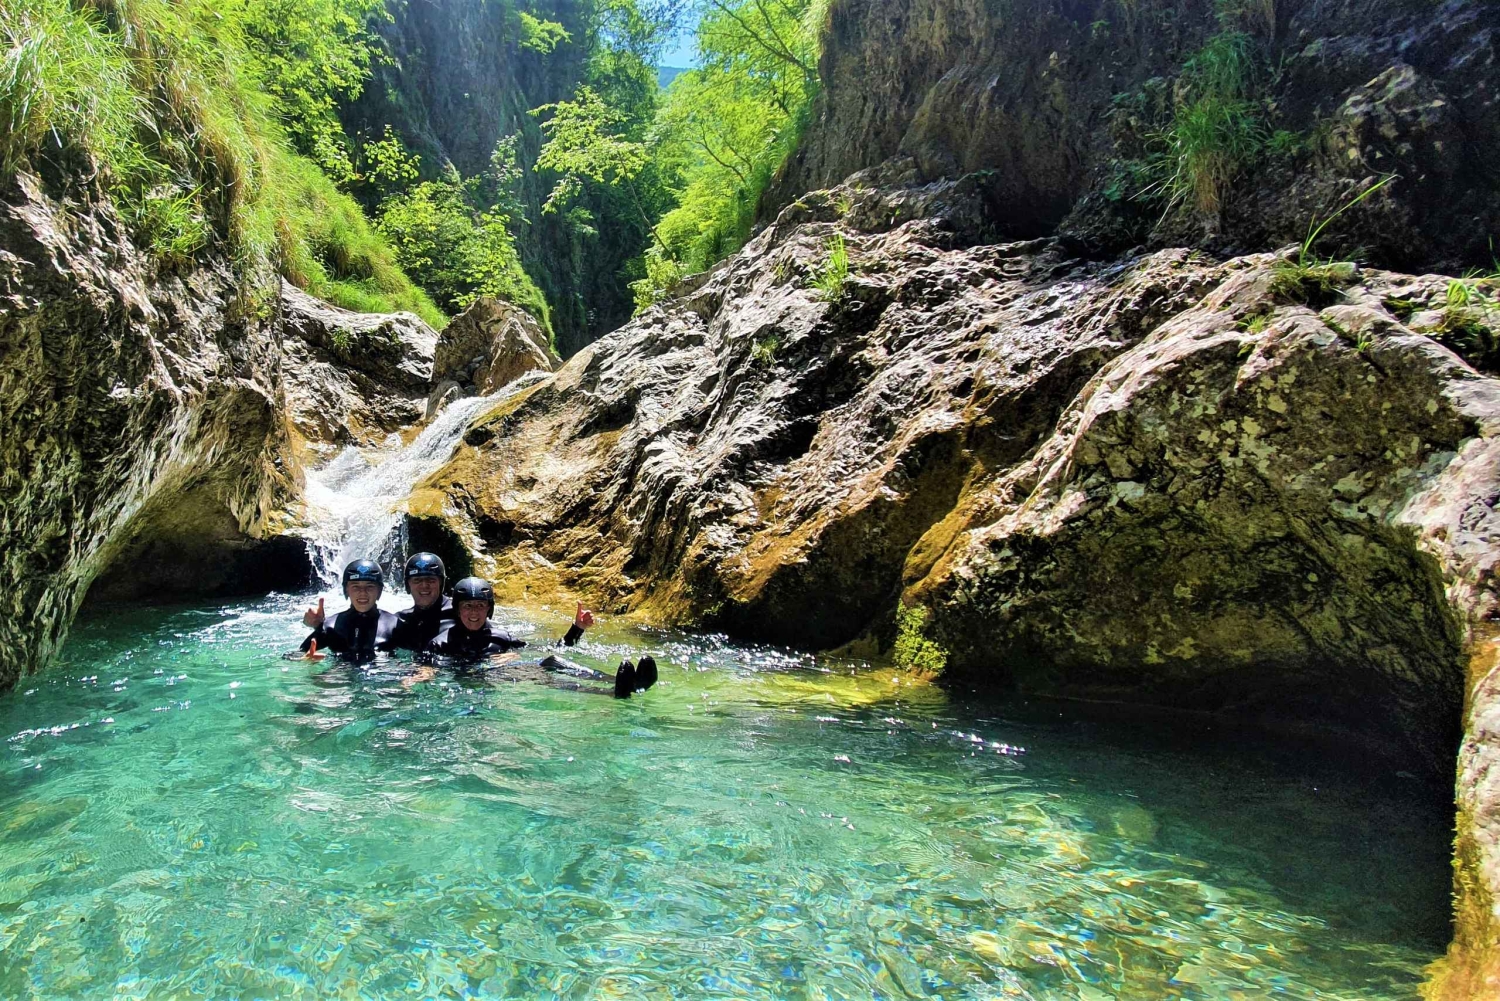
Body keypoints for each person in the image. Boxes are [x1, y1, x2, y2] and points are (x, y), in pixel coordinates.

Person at [423, 577, 657, 698]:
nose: (474, 612)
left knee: (551, 660)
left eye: (480, 605)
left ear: (489, 608)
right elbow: (435, 670)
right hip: (484, 680)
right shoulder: (440, 643)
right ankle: (611, 693)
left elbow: (551, 649)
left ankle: (627, 682)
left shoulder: (501, 636)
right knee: (538, 676)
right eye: (467, 606)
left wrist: (577, 628)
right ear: (457, 609)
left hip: (512, 670)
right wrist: (485, 664)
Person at [297, 559, 398, 663]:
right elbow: (295, 655)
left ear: (379, 590)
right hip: (341, 672)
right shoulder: (331, 626)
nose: (362, 592)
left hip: (384, 671)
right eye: (355, 587)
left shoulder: (394, 625)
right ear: (346, 590)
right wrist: (306, 660)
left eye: (370, 586)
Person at [386, 552, 455, 653]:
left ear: (441, 584)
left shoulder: (461, 614)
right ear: (408, 585)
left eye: (430, 580)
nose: (424, 585)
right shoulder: (400, 621)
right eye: (417, 580)